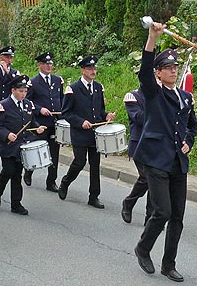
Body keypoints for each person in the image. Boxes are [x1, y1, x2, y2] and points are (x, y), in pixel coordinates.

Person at [133, 21, 197, 283]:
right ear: (158, 73)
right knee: (162, 212)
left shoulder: (184, 97)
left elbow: (192, 126)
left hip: (177, 162)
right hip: (155, 159)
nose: (173, 71)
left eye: (175, 67)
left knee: (178, 217)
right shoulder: (153, 92)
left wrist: (188, 142)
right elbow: (144, 71)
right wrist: (152, 38)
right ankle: (143, 248)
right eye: (167, 68)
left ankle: (168, 264)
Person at [58, 55, 115, 209]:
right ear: (82, 70)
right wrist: (80, 122)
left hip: (95, 134)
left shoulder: (98, 87)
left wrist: (107, 115)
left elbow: (100, 111)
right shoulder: (73, 89)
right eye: (89, 68)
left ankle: (94, 196)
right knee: (79, 162)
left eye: (94, 68)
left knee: (95, 165)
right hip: (80, 133)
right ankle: (65, 182)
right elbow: (66, 113)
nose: (93, 71)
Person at [0, 75, 45, 215]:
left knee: (17, 175)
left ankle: (16, 204)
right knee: (8, 170)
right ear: (13, 90)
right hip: (8, 146)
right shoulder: (3, 105)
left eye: (25, 91)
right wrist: (7, 134)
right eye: (20, 91)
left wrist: (38, 128)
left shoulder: (28, 104)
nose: (23, 94)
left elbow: (31, 121)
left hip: (22, 146)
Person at [24, 52, 63, 192]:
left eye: (50, 63)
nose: (49, 66)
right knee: (36, 149)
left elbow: (61, 98)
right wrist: (39, 109)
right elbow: (28, 101)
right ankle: (28, 171)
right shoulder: (33, 82)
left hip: (54, 121)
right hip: (40, 122)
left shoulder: (58, 80)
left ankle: (51, 181)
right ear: (39, 65)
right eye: (46, 64)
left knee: (54, 152)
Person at [121, 85, 151, 225]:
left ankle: (150, 217)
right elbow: (138, 118)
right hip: (139, 144)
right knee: (146, 178)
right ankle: (129, 202)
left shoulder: (160, 96)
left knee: (155, 180)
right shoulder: (132, 96)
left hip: (157, 145)